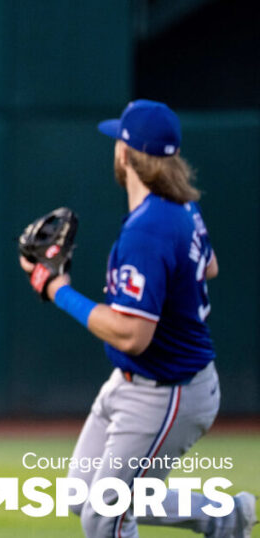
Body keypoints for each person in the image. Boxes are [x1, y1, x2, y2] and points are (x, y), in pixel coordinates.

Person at [20, 99, 256, 537]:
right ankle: (224, 518)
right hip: (136, 381)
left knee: (103, 516)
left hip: (167, 392)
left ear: (126, 154)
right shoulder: (180, 207)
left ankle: (223, 519)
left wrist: (56, 288)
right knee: (80, 494)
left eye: (117, 142)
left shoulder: (149, 229)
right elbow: (210, 266)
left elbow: (132, 336)